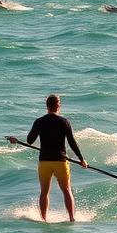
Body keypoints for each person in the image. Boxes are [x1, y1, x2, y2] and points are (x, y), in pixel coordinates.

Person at [7, 94, 88, 222]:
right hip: (60, 162)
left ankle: (43, 218)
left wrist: (16, 141)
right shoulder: (64, 122)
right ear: (58, 106)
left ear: (47, 106)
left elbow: (29, 141)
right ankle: (72, 218)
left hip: (44, 162)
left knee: (44, 192)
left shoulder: (39, 121)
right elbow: (72, 143)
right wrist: (81, 159)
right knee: (67, 191)